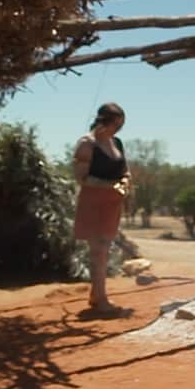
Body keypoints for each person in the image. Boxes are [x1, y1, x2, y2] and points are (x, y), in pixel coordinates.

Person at [72, 102, 130, 314]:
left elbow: (125, 170)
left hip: (112, 204)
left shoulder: (117, 143)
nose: (118, 129)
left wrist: (124, 183)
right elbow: (81, 177)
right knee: (98, 251)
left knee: (104, 249)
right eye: (116, 124)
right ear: (104, 121)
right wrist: (109, 185)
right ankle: (101, 300)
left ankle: (96, 295)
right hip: (93, 202)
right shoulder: (87, 144)